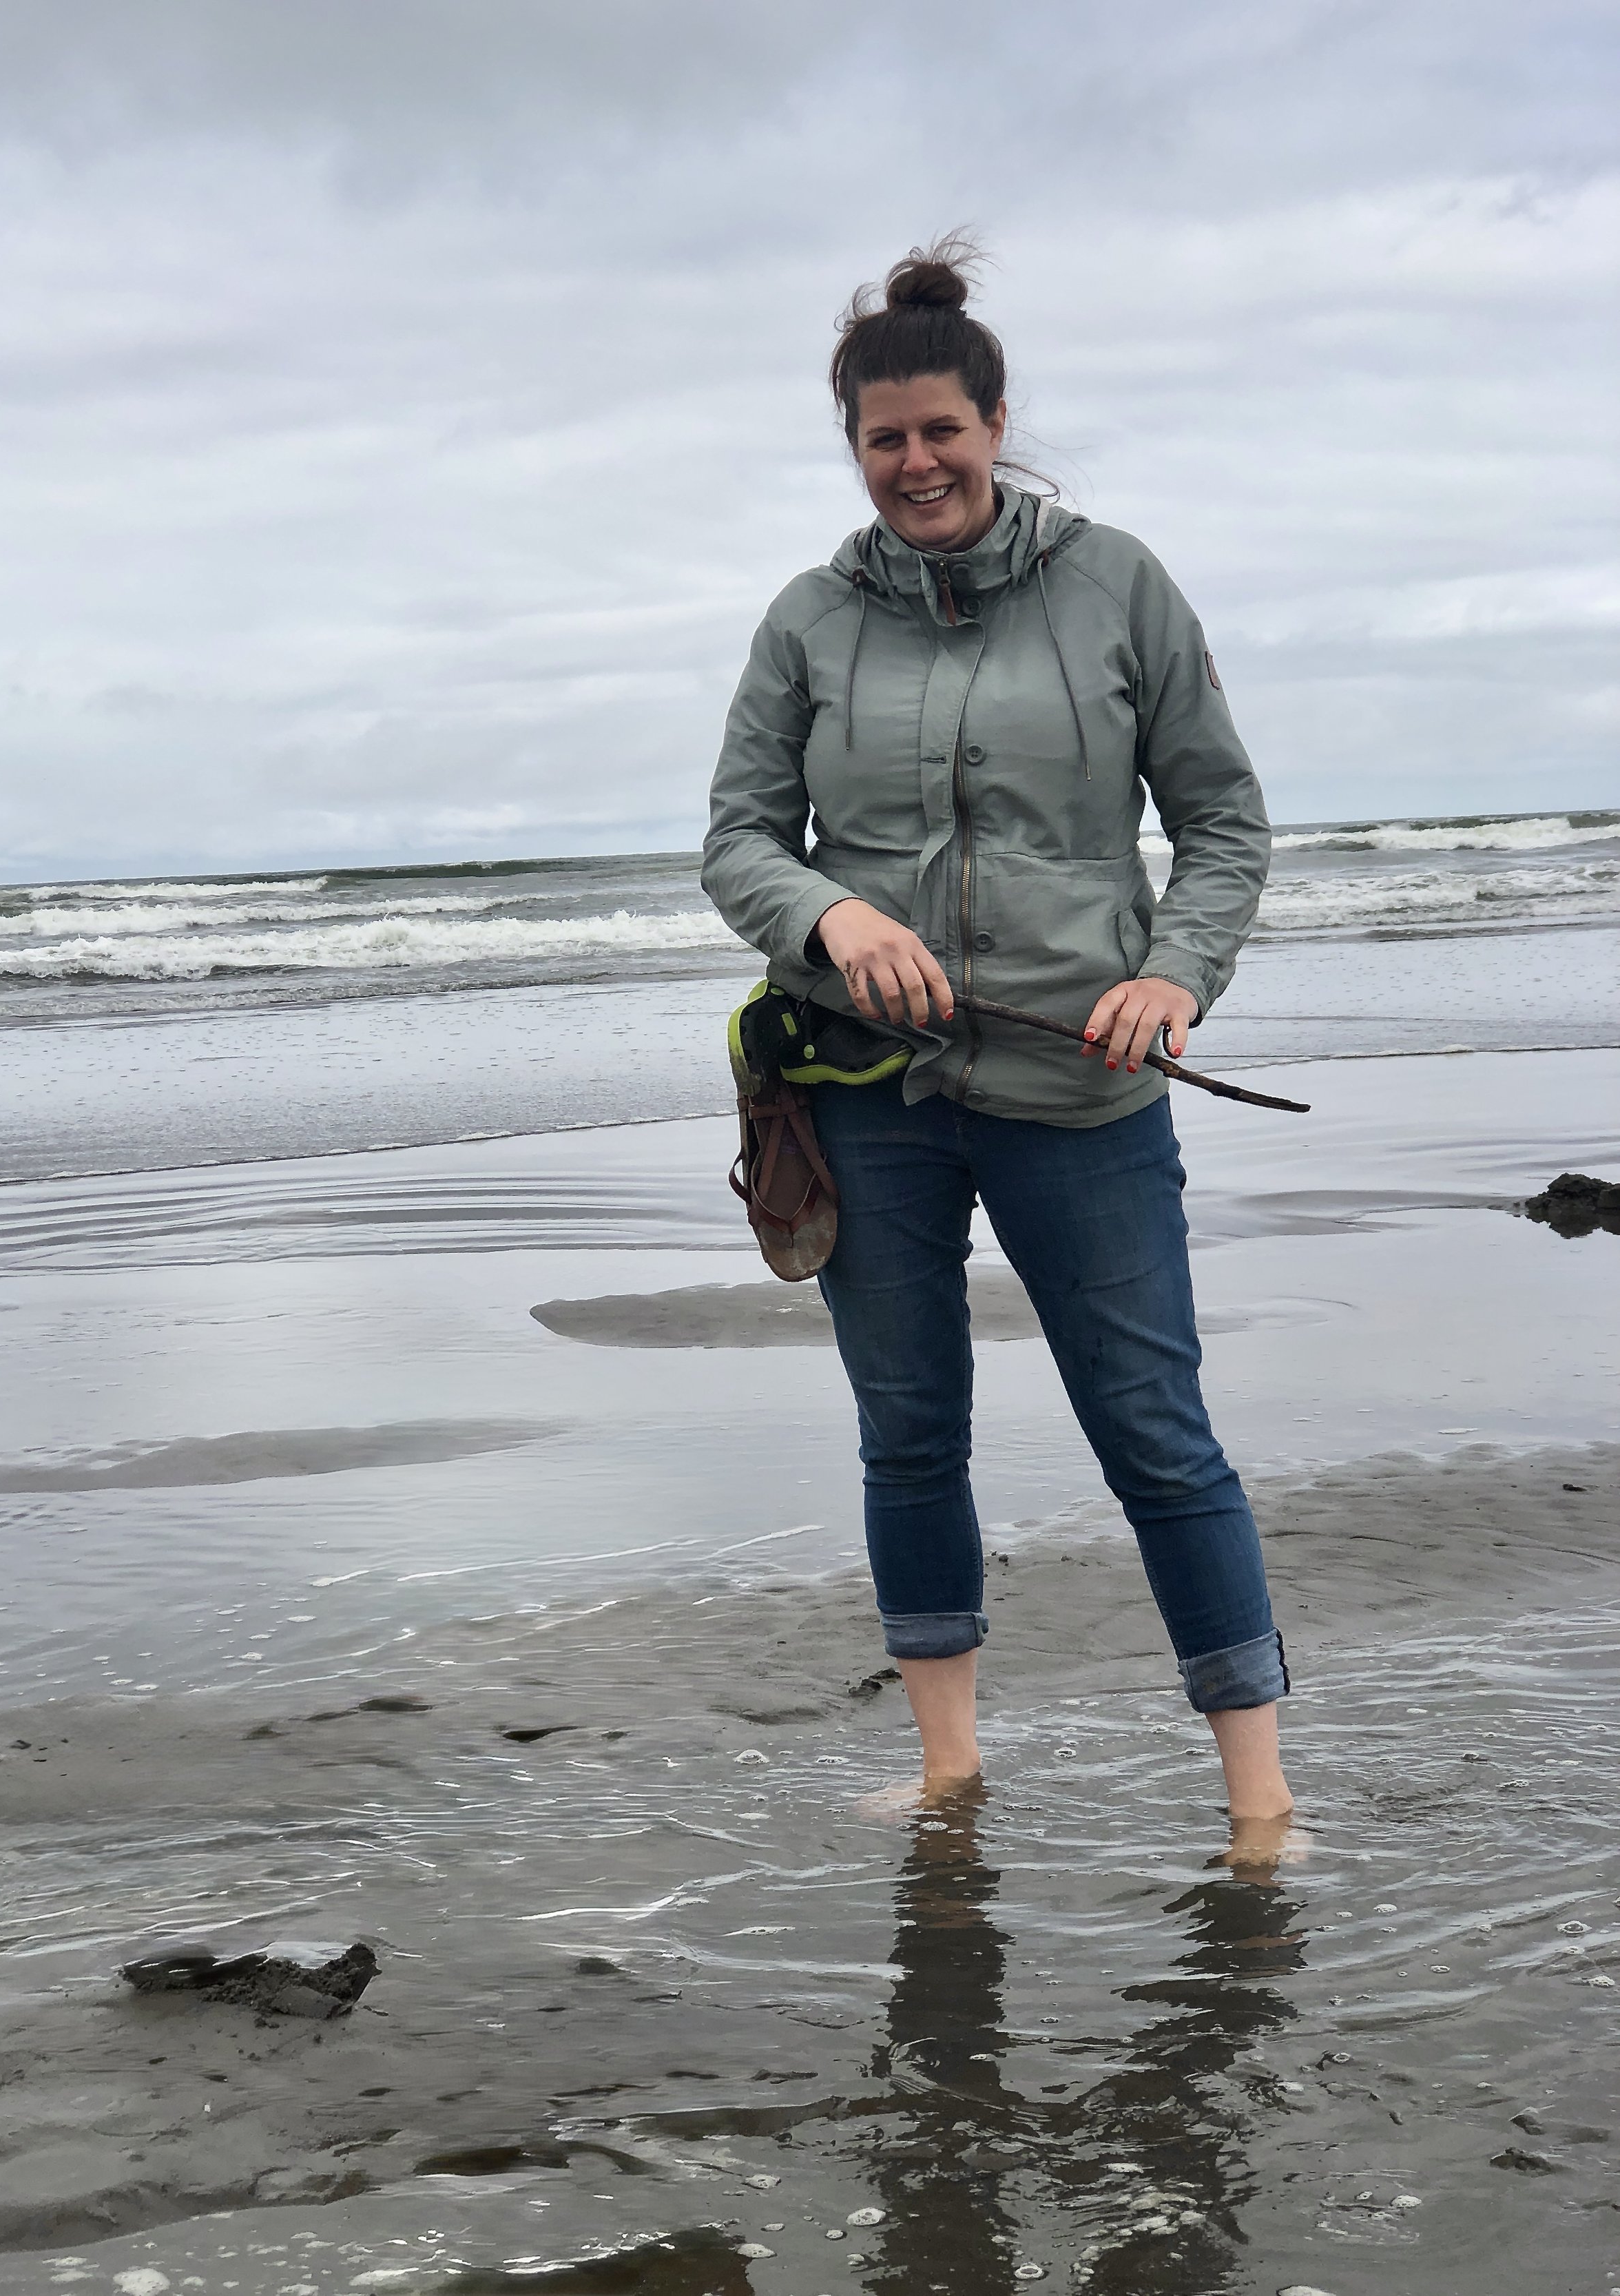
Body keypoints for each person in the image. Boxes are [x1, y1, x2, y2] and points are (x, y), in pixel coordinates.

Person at [703, 237, 1291, 1826]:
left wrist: (1172, 977)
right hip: (863, 1091)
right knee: (907, 1435)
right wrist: (830, 914)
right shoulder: (806, 620)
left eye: (939, 432)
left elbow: (1222, 823)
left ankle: (1260, 1804)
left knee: (1156, 1437)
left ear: (994, 420)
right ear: (853, 448)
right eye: (881, 439)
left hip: (1080, 1091)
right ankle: (947, 1769)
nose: (914, 464)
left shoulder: (1116, 585)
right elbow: (739, 837)